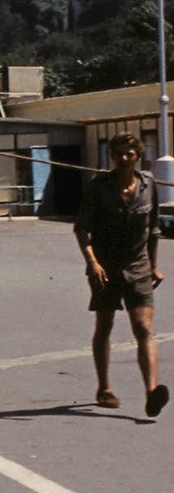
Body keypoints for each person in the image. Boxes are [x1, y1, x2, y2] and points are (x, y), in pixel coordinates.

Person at [74, 131, 167, 417]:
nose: (125, 158)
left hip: (137, 267)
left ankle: (151, 391)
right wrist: (92, 263)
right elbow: (82, 229)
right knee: (105, 327)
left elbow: (153, 230)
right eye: (119, 154)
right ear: (112, 157)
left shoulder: (148, 185)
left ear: (138, 155)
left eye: (130, 153)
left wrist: (153, 265)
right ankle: (105, 388)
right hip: (106, 267)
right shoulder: (99, 186)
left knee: (143, 329)